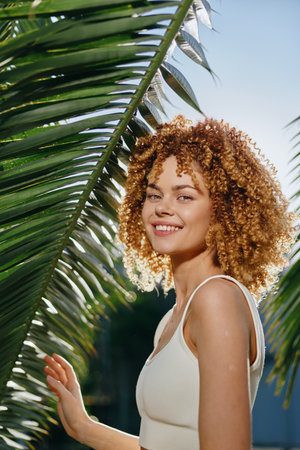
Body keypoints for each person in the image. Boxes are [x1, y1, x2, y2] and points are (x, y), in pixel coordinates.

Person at [44, 116, 294, 449]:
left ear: (224, 210)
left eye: (185, 196)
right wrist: (83, 427)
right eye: (153, 194)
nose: (163, 208)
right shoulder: (173, 319)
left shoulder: (216, 299)